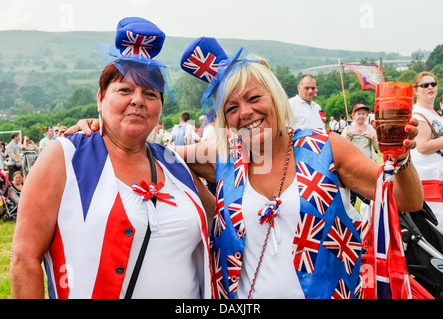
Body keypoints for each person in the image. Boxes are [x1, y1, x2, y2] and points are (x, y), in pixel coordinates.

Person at [70, 38, 423, 299]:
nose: (246, 113)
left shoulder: (326, 147)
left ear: (275, 97)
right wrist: (100, 128)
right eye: (232, 107)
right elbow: (149, 151)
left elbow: (405, 201)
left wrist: (402, 160)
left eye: (254, 98)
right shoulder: (222, 155)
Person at [11, 17, 214, 299]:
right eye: (125, 90)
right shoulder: (66, 157)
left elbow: (225, 221)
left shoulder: (174, 164)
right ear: (100, 98)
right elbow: (25, 258)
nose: (138, 100)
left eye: (150, 93)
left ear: (159, 108)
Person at [410, 72, 443, 233]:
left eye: (433, 84)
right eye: (425, 85)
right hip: (428, 177)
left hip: (436, 176)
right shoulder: (418, 113)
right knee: (437, 225)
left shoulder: (432, 113)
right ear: (416, 91)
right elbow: (422, 146)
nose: (430, 87)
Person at [341, 103, 379, 206]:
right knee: (349, 200)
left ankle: (370, 218)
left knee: (370, 197)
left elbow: (378, 148)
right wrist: (349, 135)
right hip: (351, 169)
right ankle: (350, 220)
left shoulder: (371, 129)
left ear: (367, 116)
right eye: (359, 114)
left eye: (364, 113)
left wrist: (373, 138)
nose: (361, 116)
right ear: (354, 115)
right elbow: (340, 147)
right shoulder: (347, 129)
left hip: (368, 168)